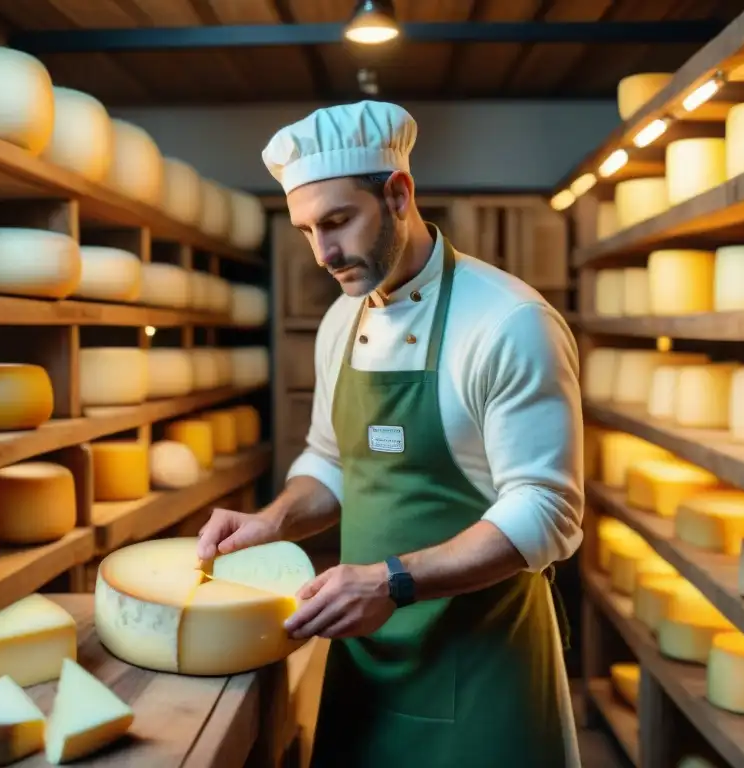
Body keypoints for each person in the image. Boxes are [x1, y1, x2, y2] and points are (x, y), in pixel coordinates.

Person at [196, 100, 584, 768]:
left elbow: (547, 511)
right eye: (306, 230)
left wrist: (391, 583)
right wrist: (273, 521)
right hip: (366, 658)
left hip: (479, 661)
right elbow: (332, 462)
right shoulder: (340, 323)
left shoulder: (508, 322)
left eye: (339, 221)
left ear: (399, 194)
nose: (322, 253)